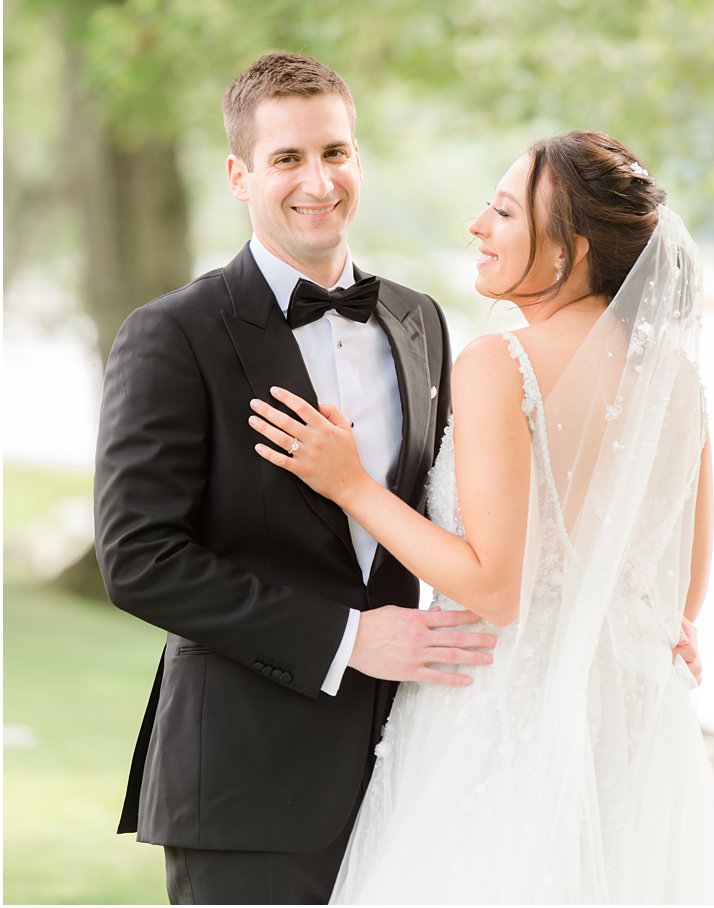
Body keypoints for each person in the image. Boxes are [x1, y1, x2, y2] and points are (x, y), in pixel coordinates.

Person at [247, 131, 714, 903]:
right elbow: (685, 588)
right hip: (635, 721)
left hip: (498, 716)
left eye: (505, 212)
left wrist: (351, 485)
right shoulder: (674, 380)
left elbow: (494, 587)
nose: (477, 226)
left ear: (566, 253)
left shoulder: (499, 362)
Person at [94, 52, 493, 904]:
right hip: (246, 784)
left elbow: (451, 519)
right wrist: (348, 641)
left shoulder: (418, 321)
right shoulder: (173, 333)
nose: (319, 180)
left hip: (412, 765)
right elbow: (137, 559)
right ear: (240, 175)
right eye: (287, 159)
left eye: (337, 152)